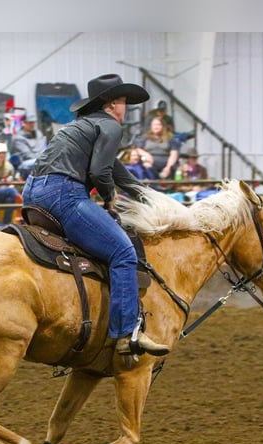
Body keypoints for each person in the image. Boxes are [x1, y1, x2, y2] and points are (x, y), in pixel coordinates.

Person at [22, 73, 169, 358]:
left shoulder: (81, 127)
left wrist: (157, 202)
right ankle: (126, 334)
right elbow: (101, 174)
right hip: (63, 193)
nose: (126, 108)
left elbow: (119, 174)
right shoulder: (110, 127)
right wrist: (110, 199)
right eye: (124, 101)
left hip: (33, 192)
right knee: (123, 253)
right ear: (113, 103)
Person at [10, 113, 47, 179]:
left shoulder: (38, 133)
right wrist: (44, 158)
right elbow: (27, 156)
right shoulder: (18, 138)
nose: (32, 124)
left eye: (33, 122)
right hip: (25, 164)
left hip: (41, 160)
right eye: (29, 122)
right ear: (23, 123)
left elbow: (44, 149)